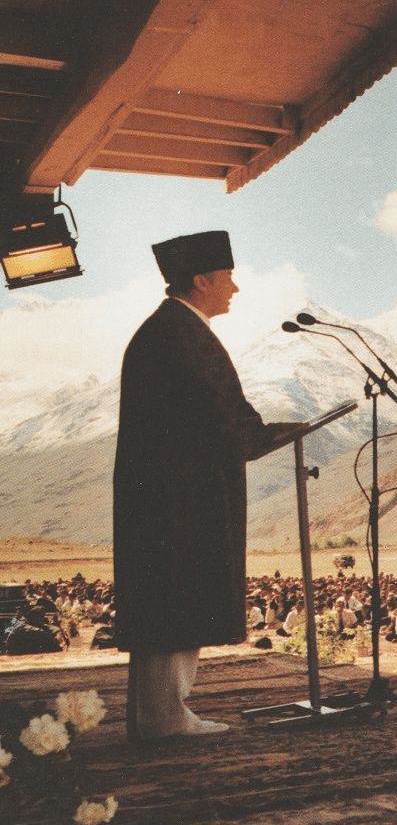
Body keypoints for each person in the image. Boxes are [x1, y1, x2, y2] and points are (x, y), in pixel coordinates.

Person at [114, 231, 304, 741]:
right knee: (173, 598)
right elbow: (221, 416)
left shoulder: (170, 329)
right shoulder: (181, 333)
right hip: (178, 500)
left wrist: (257, 432)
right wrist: (263, 435)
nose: (235, 288)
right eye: (228, 278)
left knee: (172, 596)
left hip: (171, 494)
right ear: (201, 280)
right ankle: (164, 717)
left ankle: (164, 712)